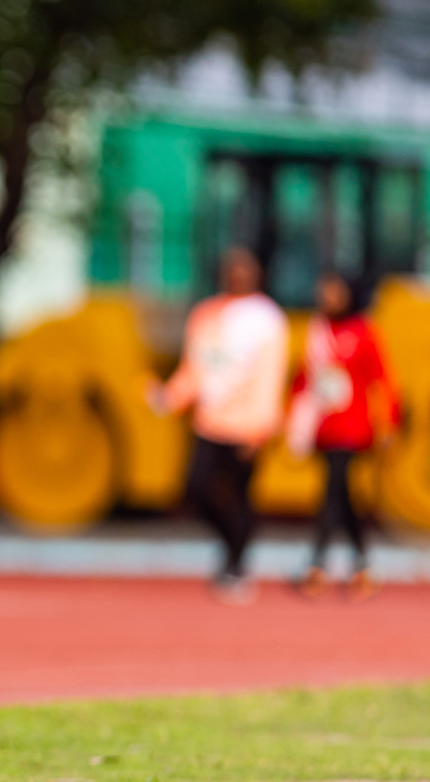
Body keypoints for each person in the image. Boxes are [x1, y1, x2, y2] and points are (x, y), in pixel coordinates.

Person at [150, 247, 288, 603]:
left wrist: (262, 426)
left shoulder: (268, 319)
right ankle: (231, 547)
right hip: (209, 422)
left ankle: (236, 564)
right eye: (232, 268)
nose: (237, 274)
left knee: (241, 497)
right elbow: (195, 369)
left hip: (247, 425)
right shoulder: (206, 314)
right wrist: (169, 397)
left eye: (245, 268)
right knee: (197, 488)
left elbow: (271, 377)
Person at [287, 271, 398, 599]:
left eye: (335, 292)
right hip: (324, 425)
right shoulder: (317, 332)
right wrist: (292, 417)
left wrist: (387, 424)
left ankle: (317, 563)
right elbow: (303, 379)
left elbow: (383, 380)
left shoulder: (363, 332)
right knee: (343, 496)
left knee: (332, 493)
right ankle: (363, 563)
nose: (327, 298)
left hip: (353, 426)